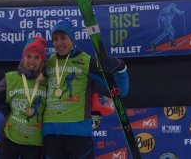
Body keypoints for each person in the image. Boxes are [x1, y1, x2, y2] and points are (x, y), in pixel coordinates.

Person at [43, 19, 129, 159]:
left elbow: (120, 91)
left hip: (78, 133)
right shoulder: (48, 64)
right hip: (51, 134)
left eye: (63, 38)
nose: (59, 43)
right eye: (55, 39)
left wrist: (120, 68)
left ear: (72, 38)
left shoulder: (87, 61)